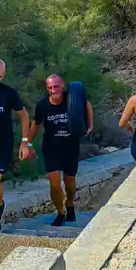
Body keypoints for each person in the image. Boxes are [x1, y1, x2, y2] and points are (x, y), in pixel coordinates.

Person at [28, 74, 93, 227]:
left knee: (70, 184)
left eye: (56, 86)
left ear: (62, 85)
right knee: (55, 184)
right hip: (51, 149)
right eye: (50, 87)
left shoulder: (72, 99)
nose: (53, 90)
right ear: (47, 88)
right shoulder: (43, 105)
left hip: (70, 147)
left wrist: (90, 125)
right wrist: (28, 144)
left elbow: (87, 104)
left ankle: (70, 204)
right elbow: (35, 124)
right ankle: (60, 212)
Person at [0, 59, 34, 233]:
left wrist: (25, 143)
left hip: (2, 144)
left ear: (4, 76)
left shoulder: (8, 94)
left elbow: (24, 116)